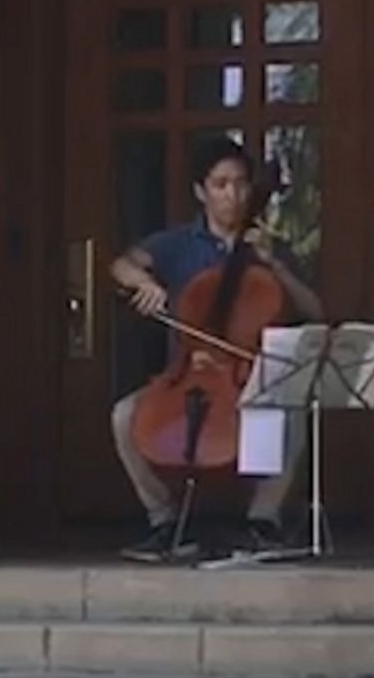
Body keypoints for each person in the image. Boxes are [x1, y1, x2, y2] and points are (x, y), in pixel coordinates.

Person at [109, 137, 325, 561]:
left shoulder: (268, 247)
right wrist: (145, 283)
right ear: (200, 191)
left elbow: (314, 311)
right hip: (187, 376)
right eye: (221, 184)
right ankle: (165, 521)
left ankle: (262, 521)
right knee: (124, 416)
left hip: (250, 376)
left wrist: (276, 265)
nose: (233, 195)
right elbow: (121, 264)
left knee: (291, 412)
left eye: (241, 184)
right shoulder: (176, 244)